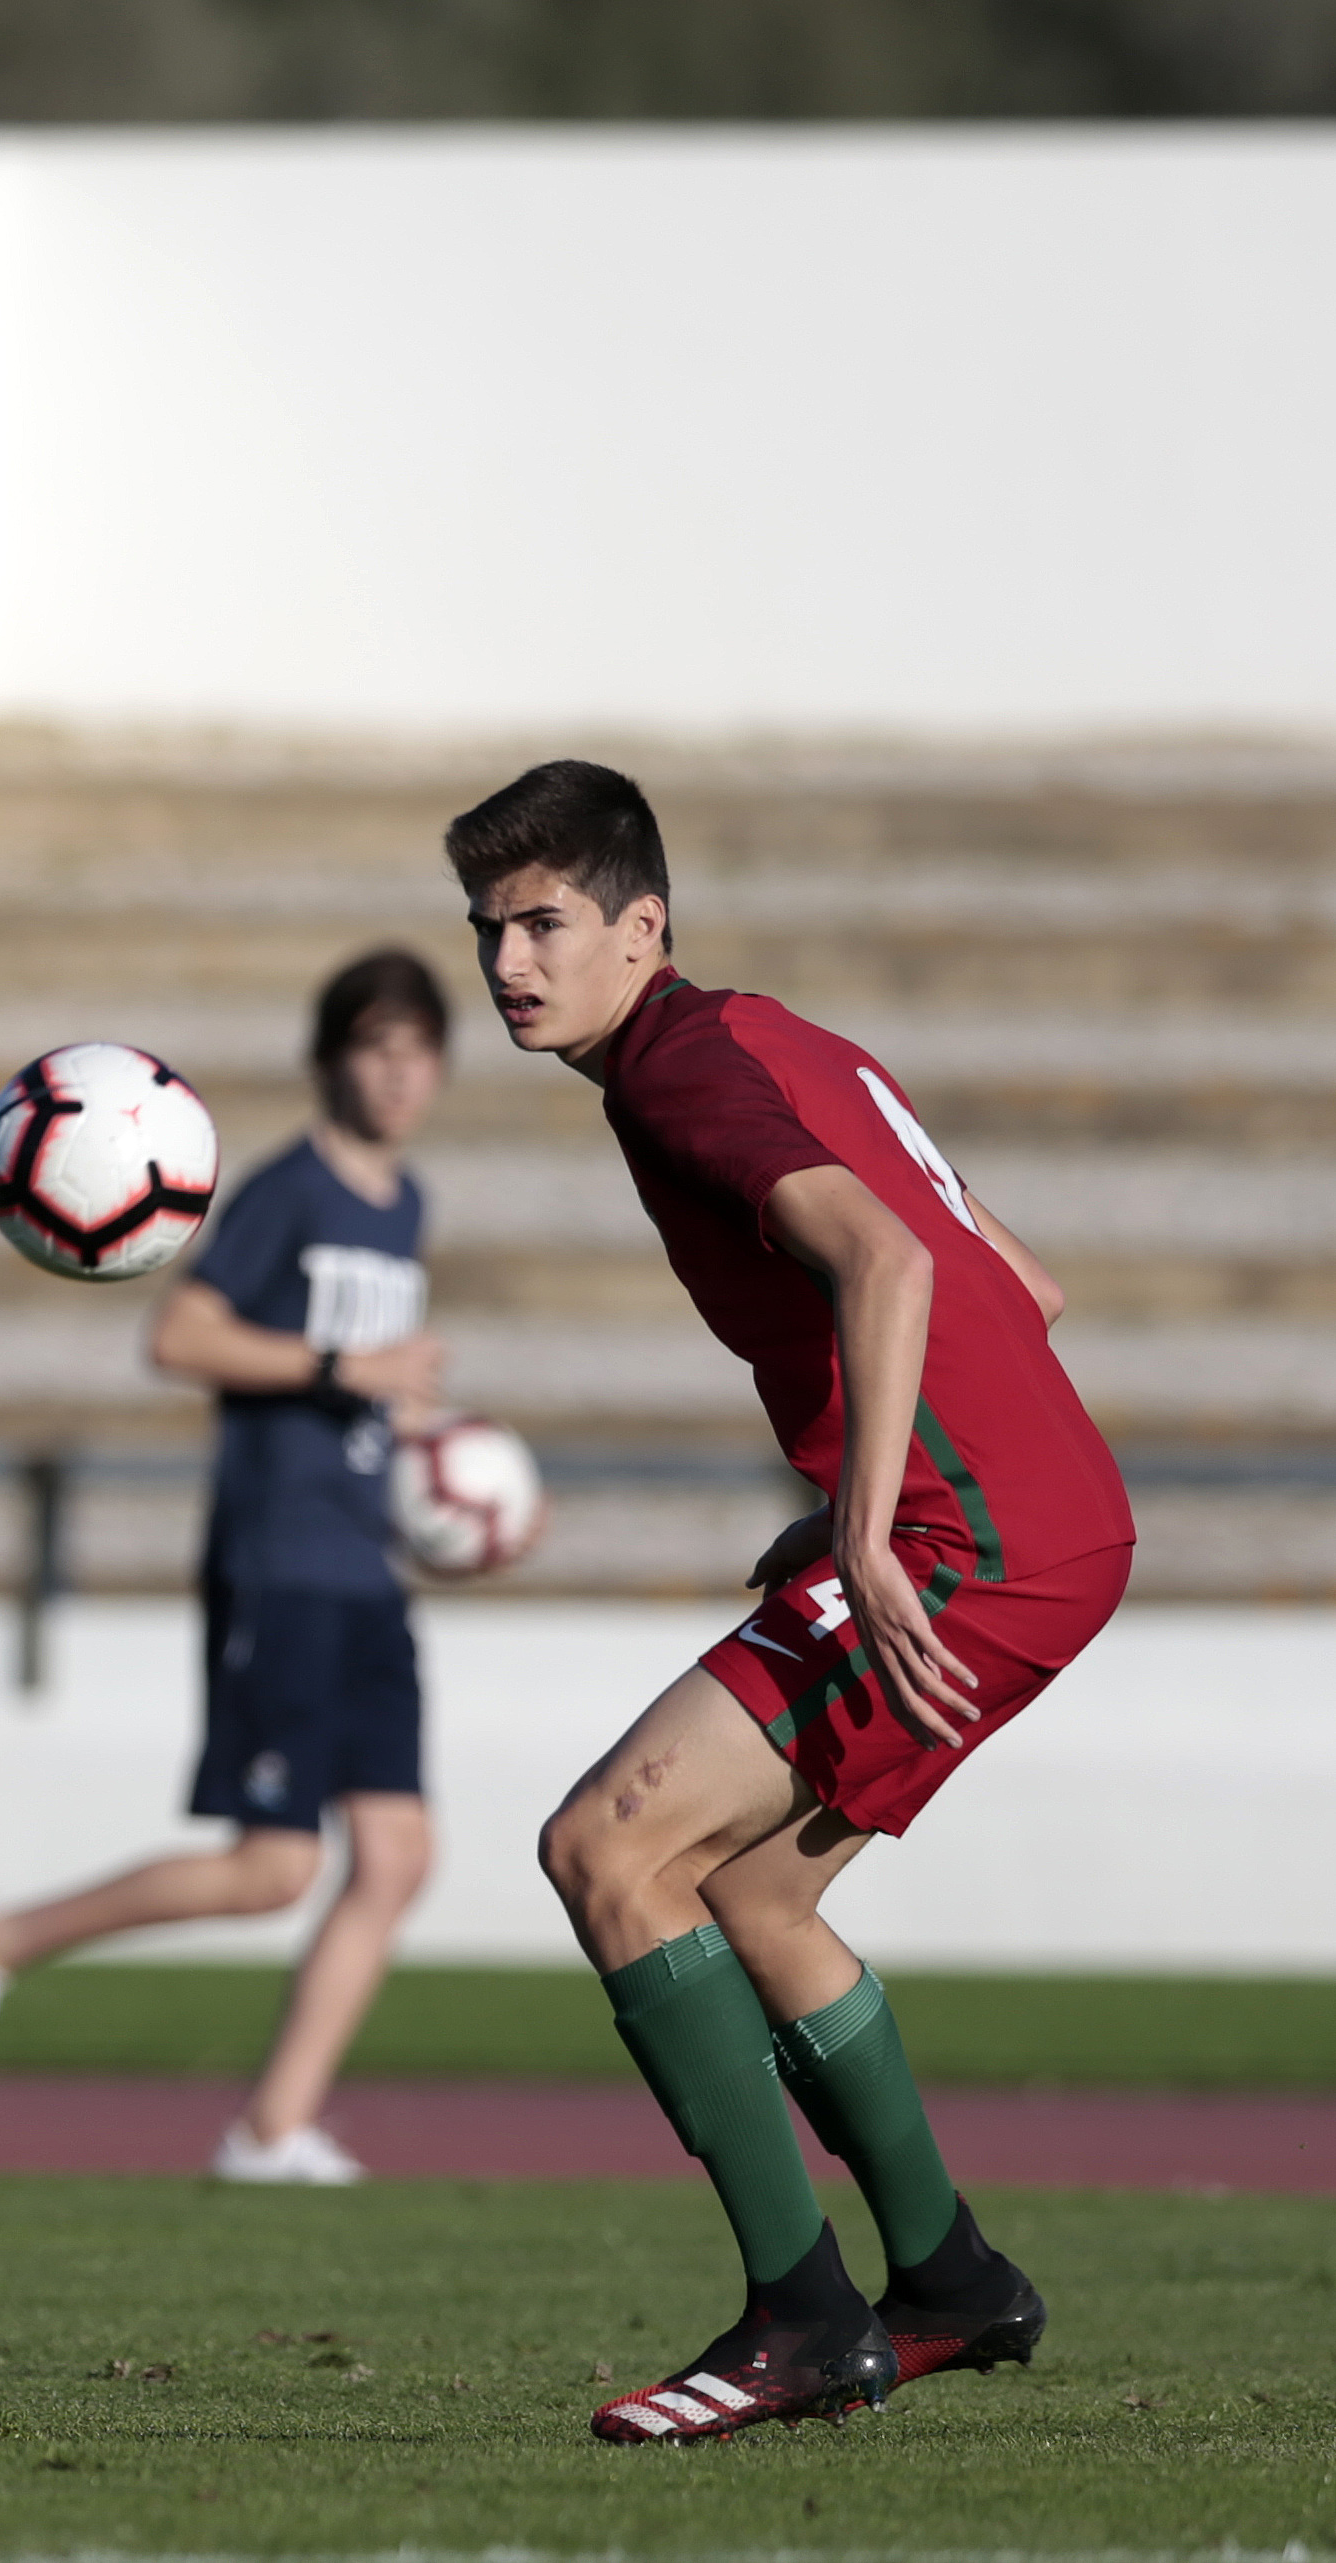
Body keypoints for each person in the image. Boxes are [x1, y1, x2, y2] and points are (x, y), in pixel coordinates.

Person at [451, 760, 1128, 2443]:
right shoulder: (776, 1036)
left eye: (542, 922)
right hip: (1050, 1524)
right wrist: (870, 1501)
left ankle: (799, 2320)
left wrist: (872, 1519)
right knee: (748, 1896)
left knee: (605, 1845)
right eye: (488, 929)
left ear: (640, 925)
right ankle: (952, 2281)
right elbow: (1018, 1279)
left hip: (966, 1545)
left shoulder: (680, 1073)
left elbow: (889, 1263)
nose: (508, 962)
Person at [0, 951, 453, 2182]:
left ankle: (271, 2128)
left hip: (366, 1568)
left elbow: (369, 1392)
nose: (396, 1073)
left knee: (397, 1856)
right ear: (329, 1060)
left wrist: (445, 1478)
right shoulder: (287, 1191)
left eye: (417, 1050)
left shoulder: (406, 1207)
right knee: (269, 1870)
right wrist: (340, 1370)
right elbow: (177, 1330)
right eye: (373, 1046)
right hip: (281, 1563)